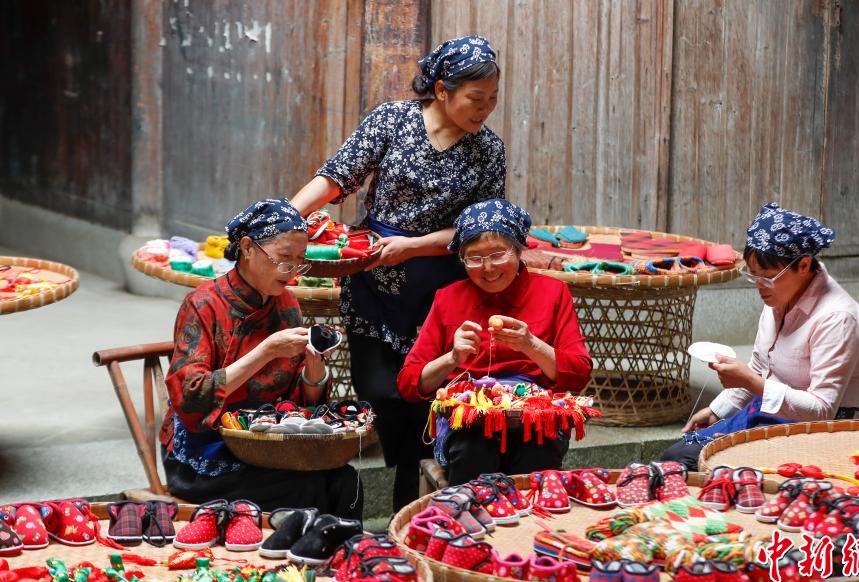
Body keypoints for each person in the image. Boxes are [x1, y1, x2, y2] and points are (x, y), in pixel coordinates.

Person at [290, 35, 506, 512]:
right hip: (372, 278)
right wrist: (286, 216)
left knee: (430, 392)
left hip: (441, 283)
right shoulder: (393, 120)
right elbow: (337, 176)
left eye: (493, 99)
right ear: (443, 90)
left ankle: (415, 499)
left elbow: (483, 226)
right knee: (379, 389)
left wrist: (413, 247)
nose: (485, 109)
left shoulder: (488, 150)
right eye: (476, 98)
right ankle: (401, 480)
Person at [160, 199, 363, 519]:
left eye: (299, 261)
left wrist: (314, 369)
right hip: (206, 449)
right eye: (284, 259)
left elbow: (299, 405)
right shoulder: (202, 305)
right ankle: (296, 565)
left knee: (347, 482)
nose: (292, 271)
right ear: (248, 248)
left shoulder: (287, 304)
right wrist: (266, 351)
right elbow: (190, 398)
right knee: (304, 489)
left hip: (267, 439)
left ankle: (343, 563)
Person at [662, 202, 859, 470]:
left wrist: (750, 381)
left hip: (819, 433)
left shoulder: (838, 318)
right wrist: (718, 410)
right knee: (677, 455)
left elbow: (822, 411)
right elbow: (761, 367)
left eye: (769, 277)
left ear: (804, 265)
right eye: (755, 276)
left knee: (687, 462)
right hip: (774, 415)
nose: (760, 287)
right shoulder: (779, 297)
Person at [396, 199, 593, 486]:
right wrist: (451, 357)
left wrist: (531, 345)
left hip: (535, 421)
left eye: (498, 254)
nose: (488, 268)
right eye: (474, 258)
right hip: (470, 424)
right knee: (474, 447)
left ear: (518, 249)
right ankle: (471, 524)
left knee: (537, 451)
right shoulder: (448, 298)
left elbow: (578, 374)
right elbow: (410, 384)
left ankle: (530, 528)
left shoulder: (553, 292)